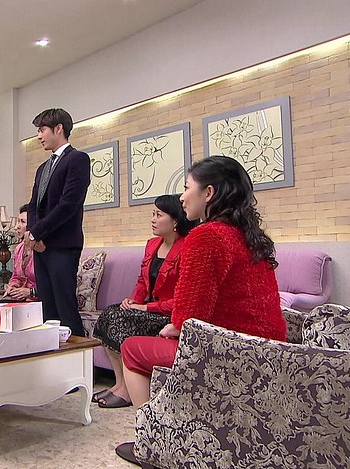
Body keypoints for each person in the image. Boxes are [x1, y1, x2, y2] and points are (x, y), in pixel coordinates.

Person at [114, 156, 286, 464]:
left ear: (208, 193)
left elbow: (190, 316)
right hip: (268, 350)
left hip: (227, 351)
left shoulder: (206, 236)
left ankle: (150, 443)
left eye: (186, 187)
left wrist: (175, 326)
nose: (182, 197)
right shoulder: (250, 237)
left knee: (132, 348)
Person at [92, 194, 197, 408]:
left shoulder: (187, 248)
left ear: (175, 221)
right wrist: (133, 302)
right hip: (148, 309)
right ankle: (120, 383)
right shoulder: (152, 245)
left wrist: (144, 307)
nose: (153, 219)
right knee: (110, 314)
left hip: (168, 315)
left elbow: (180, 299)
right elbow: (142, 280)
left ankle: (126, 391)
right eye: (153, 214)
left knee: (120, 320)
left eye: (159, 215)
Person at [25, 108, 90, 336]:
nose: (39, 136)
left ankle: (79, 355)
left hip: (63, 246)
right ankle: (52, 353)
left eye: (42, 130)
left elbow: (68, 205)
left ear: (58, 128)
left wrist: (37, 233)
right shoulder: (42, 168)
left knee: (65, 308)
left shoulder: (77, 159)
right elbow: (33, 205)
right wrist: (33, 235)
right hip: (41, 247)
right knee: (47, 309)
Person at [1, 204, 37, 302]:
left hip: (40, 302)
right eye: (18, 221)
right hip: (21, 301)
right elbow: (16, 276)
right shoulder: (19, 248)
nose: (17, 226)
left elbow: (53, 284)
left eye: (22, 222)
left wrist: (31, 292)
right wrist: (12, 287)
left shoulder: (42, 250)